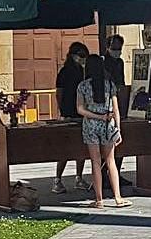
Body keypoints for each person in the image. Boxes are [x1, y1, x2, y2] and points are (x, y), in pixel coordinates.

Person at [76, 54, 132, 209]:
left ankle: (99, 199)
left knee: (95, 162)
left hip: (91, 125)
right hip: (108, 124)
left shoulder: (82, 86)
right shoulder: (109, 85)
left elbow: (80, 109)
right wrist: (118, 129)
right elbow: (116, 109)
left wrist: (96, 116)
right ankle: (118, 198)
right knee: (111, 161)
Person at [52, 42, 89, 194]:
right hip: (68, 112)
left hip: (81, 113)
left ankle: (79, 177)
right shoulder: (64, 72)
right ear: (73, 55)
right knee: (65, 149)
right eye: (80, 55)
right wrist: (61, 110)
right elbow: (59, 93)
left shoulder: (84, 71)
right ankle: (57, 179)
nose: (82, 59)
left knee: (81, 148)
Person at [103, 34, 132, 189]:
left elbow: (121, 83)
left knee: (119, 142)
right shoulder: (103, 62)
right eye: (114, 48)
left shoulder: (120, 62)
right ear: (108, 47)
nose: (117, 51)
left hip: (117, 101)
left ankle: (116, 173)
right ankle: (105, 175)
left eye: (119, 49)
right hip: (105, 103)